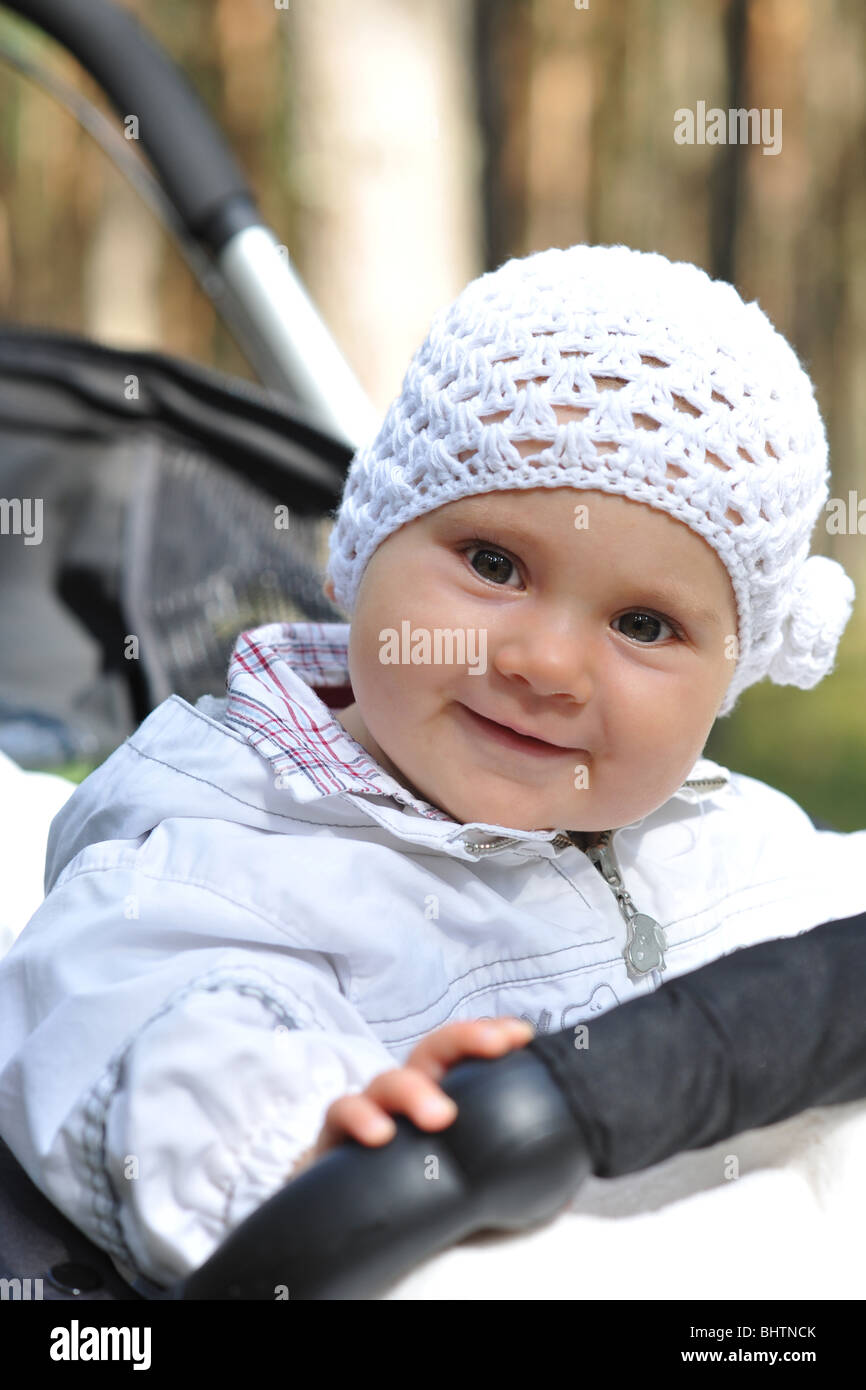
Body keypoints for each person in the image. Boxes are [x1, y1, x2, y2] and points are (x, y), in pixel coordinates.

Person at [0, 242, 860, 1292]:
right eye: (493, 565)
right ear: (357, 546)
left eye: (642, 622)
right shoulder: (214, 857)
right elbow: (145, 1035)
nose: (545, 664)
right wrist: (311, 1143)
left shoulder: (734, 848)